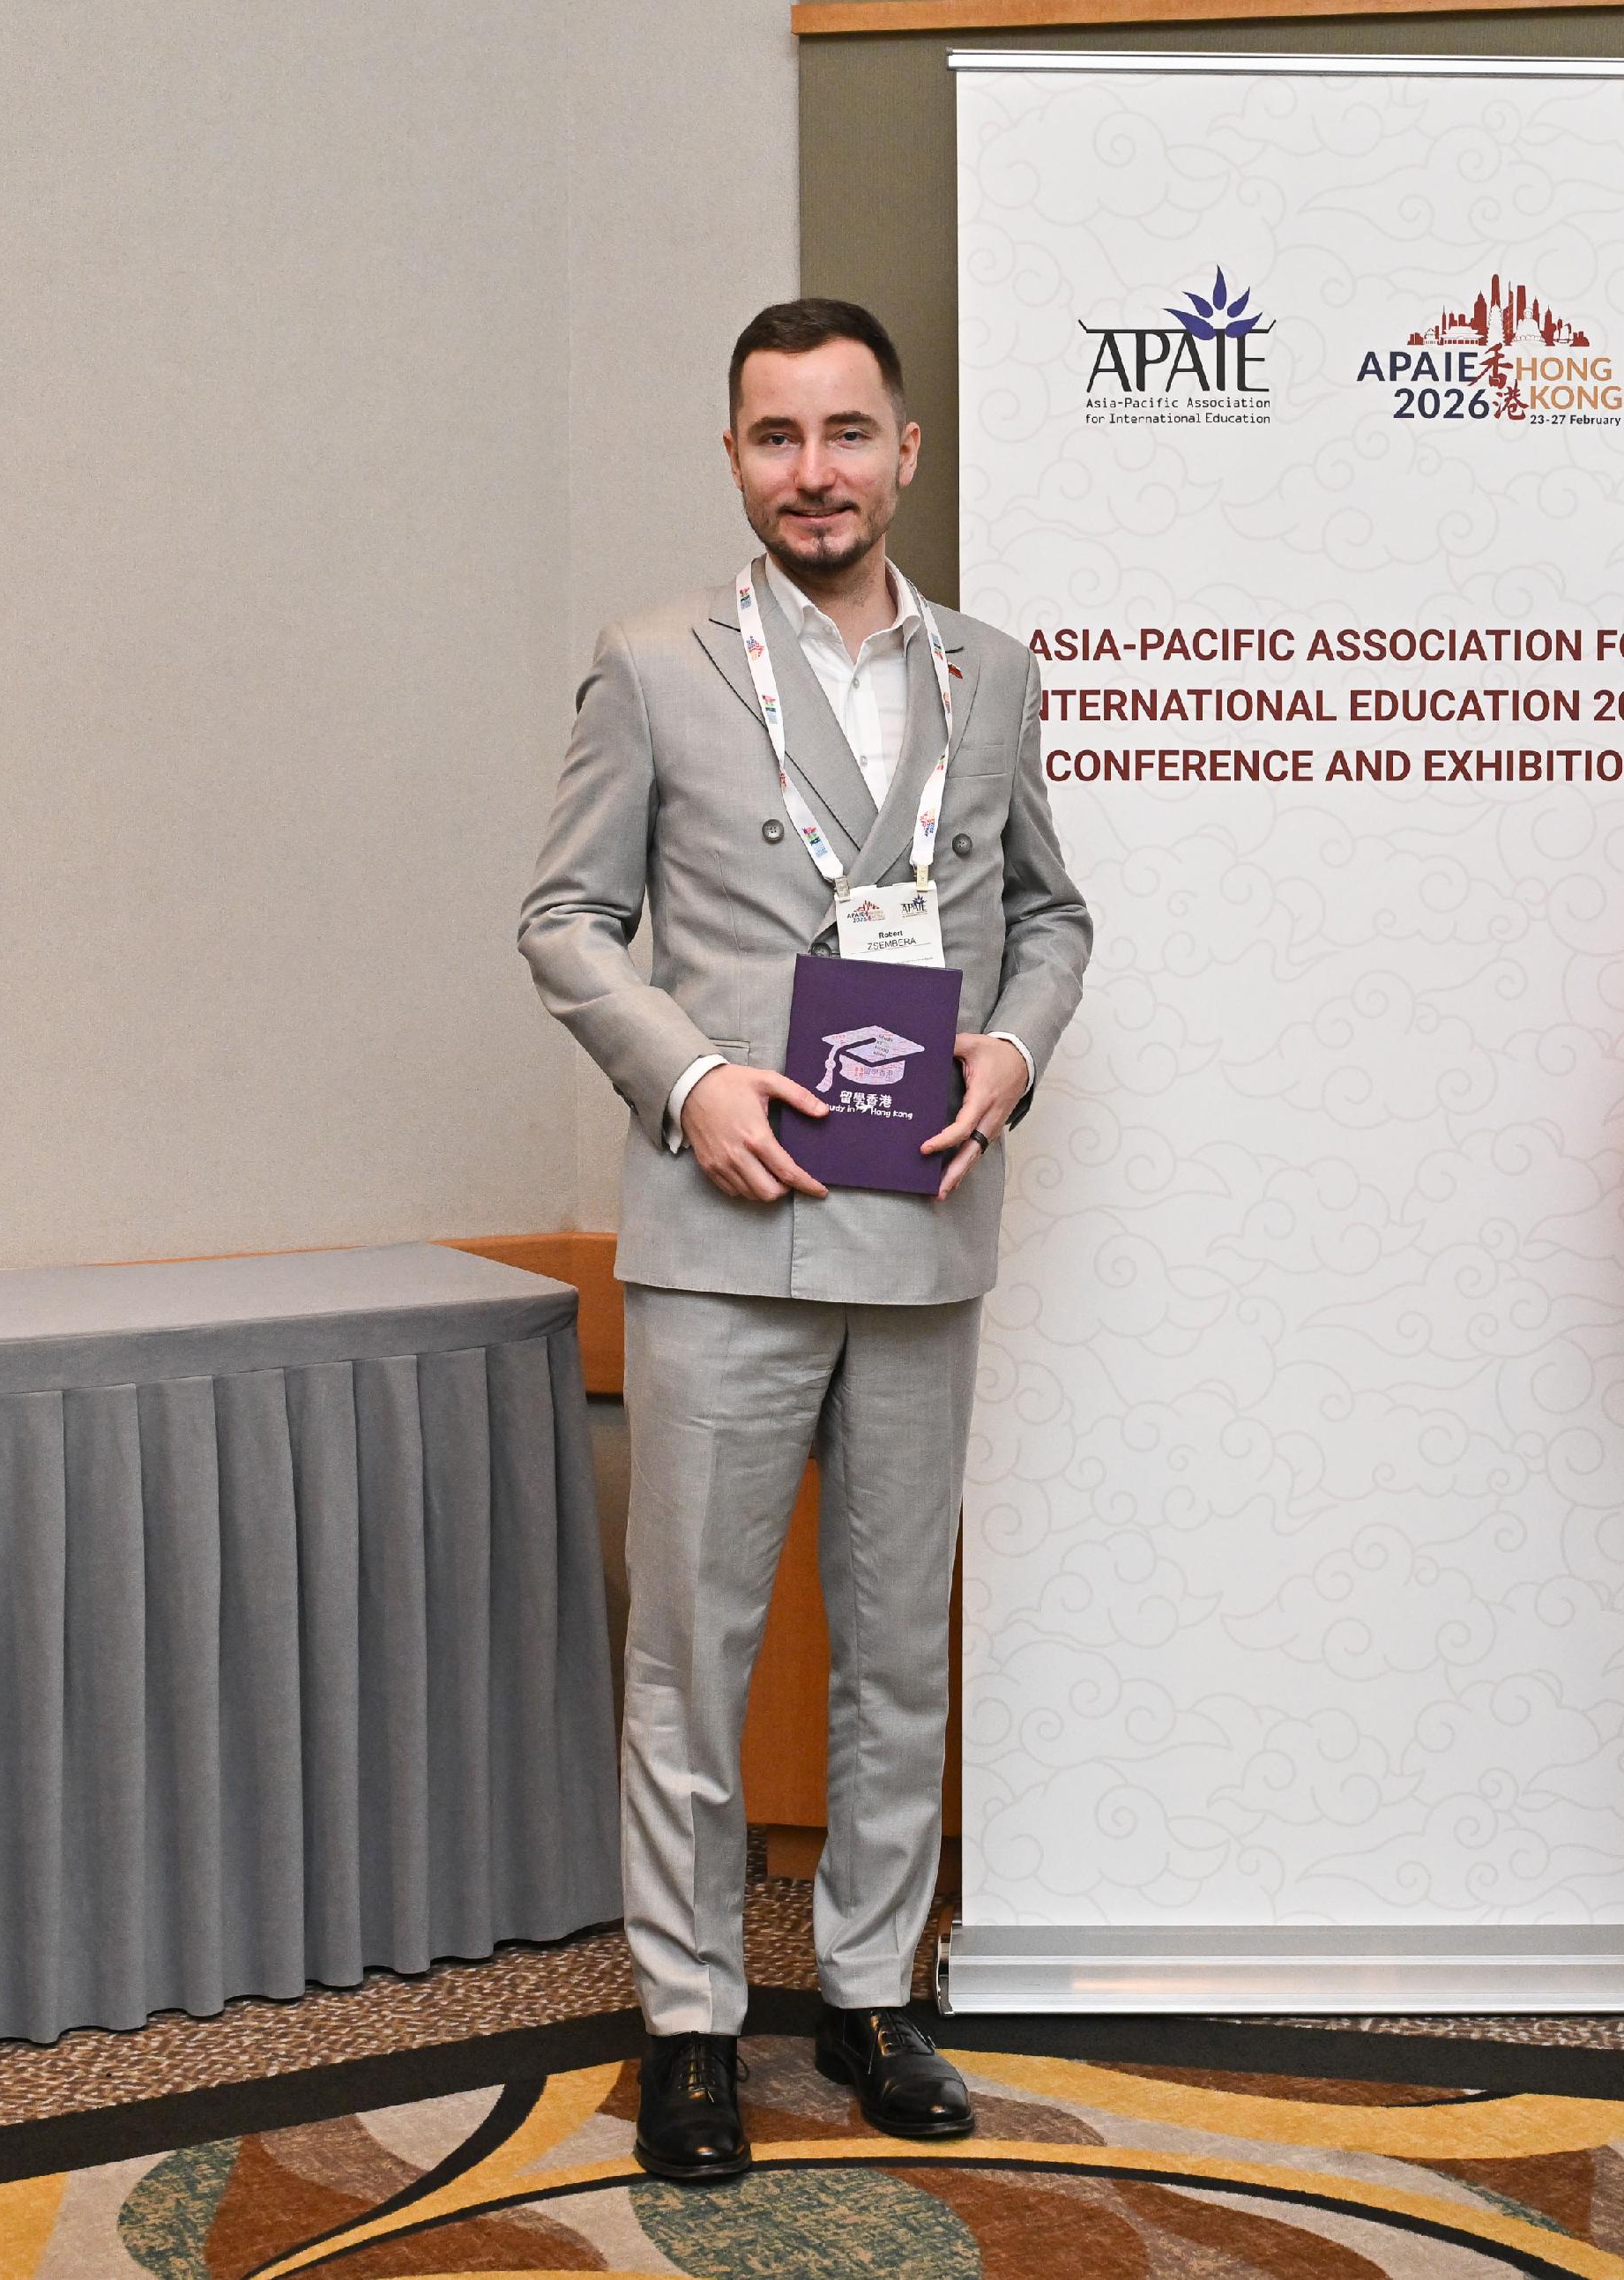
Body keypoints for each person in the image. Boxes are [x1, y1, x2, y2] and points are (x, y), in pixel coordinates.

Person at [519, 297, 1091, 2182]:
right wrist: (690, 1080)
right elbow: (565, 919)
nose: (815, 471)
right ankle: (690, 2017)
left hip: (919, 1222)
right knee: (694, 1655)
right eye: (777, 436)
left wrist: (1011, 1048)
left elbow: (1050, 915)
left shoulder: (991, 672)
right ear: (735, 459)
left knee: (895, 1651)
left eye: (847, 433)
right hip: (726, 1229)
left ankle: (866, 1991)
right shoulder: (653, 664)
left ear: (905, 452)